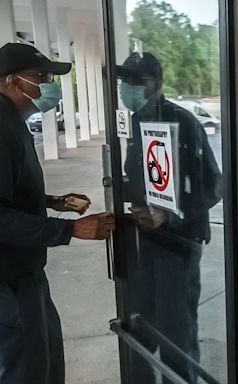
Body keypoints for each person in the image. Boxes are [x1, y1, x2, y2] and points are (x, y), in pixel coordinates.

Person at [0, 42, 115, 384]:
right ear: (10, 81)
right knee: (26, 371)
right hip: (8, 282)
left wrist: (52, 201)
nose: (48, 85)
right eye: (40, 76)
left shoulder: (12, 121)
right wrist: (69, 230)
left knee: (45, 363)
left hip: (27, 273)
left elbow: (10, 189)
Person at [117, 52, 222, 383]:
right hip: (143, 243)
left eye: (136, 81)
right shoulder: (136, 123)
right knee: (140, 326)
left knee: (177, 334)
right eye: (124, 81)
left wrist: (170, 216)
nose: (127, 88)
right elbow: (140, 178)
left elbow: (214, 184)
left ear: (157, 85)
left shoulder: (183, 121)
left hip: (178, 246)